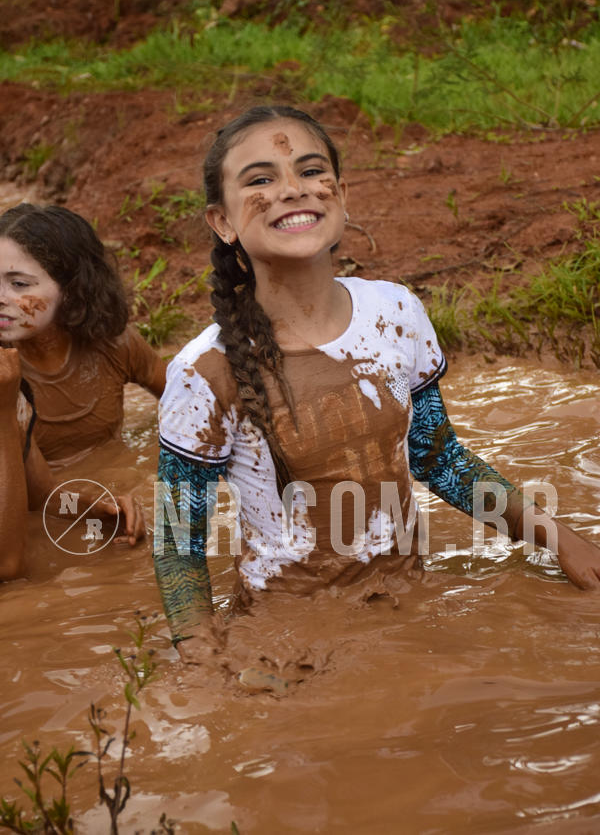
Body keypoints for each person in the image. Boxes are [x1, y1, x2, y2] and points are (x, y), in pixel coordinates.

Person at [154, 105, 600, 666]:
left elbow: (438, 459)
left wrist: (559, 539)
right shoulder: (203, 370)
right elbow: (177, 543)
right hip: (288, 642)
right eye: (261, 179)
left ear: (340, 193)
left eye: (312, 172)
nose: (294, 190)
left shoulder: (395, 312)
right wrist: (204, 665)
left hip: (409, 605)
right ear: (222, 222)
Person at [0, 204, 166, 468]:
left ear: (70, 288)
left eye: (18, 284)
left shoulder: (114, 344)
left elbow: (190, 404)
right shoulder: (5, 374)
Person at [0, 347, 145, 580]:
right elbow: (7, 566)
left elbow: (45, 497)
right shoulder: (5, 401)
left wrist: (96, 508)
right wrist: (3, 412)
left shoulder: (11, 396)